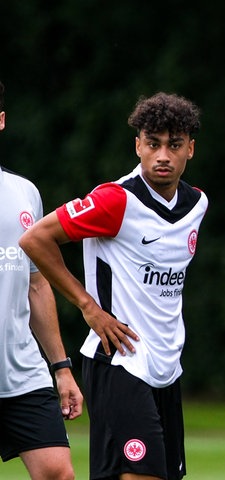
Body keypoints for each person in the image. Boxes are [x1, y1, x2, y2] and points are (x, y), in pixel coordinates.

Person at [19, 91, 208, 480]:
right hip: (118, 360)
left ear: (191, 149)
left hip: (166, 367)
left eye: (174, 146)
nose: (162, 156)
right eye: (153, 144)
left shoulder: (197, 204)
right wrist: (89, 306)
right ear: (138, 145)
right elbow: (35, 238)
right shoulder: (115, 200)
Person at [0, 80, 83, 479]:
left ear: (0, 121)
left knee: (57, 472)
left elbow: (36, 284)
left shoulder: (23, 193)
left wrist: (62, 367)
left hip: (23, 372)